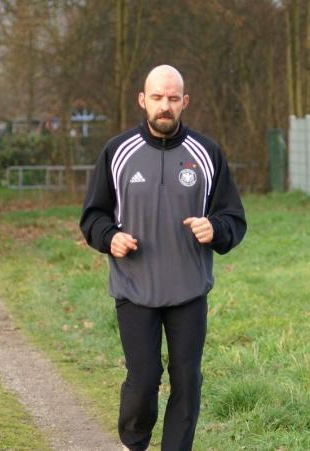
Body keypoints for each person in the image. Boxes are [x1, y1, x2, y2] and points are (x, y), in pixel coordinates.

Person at [80, 65, 246, 450]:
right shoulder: (117, 152)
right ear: (143, 100)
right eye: (157, 98)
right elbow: (93, 216)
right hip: (134, 288)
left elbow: (233, 218)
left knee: (187, 381)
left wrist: (215, 229)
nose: (165, 106)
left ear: (184, 102)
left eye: (173, 98)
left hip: (188, 290)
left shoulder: (207, 154)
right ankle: (133, 443)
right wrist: (110, 237)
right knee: (143, 380)